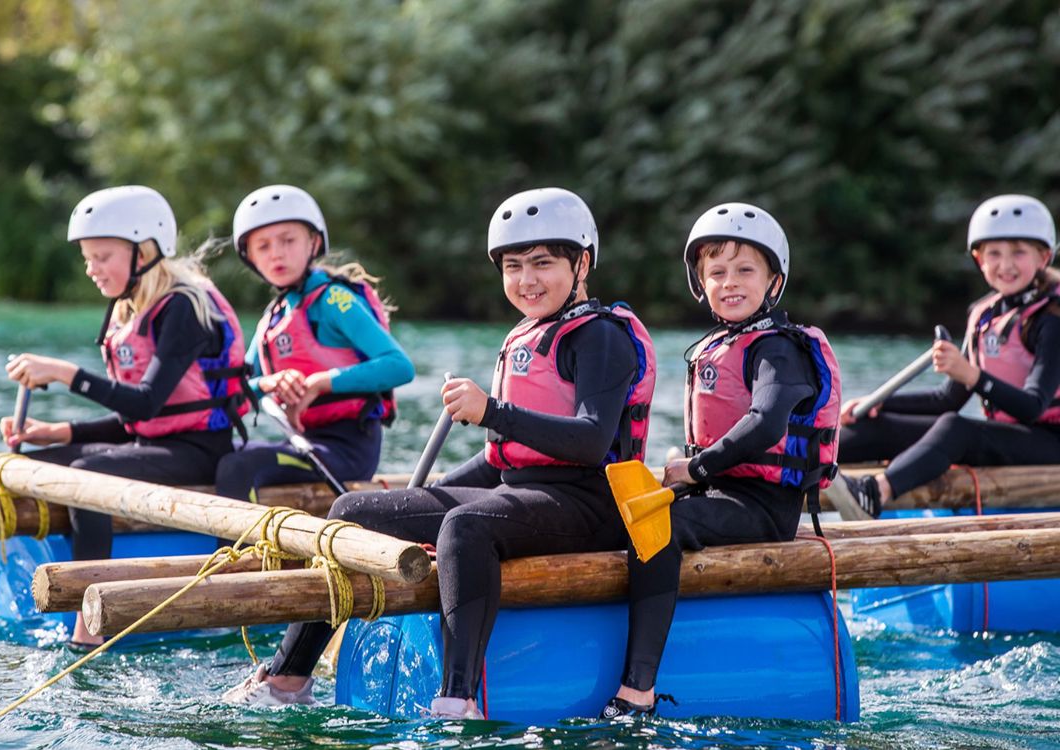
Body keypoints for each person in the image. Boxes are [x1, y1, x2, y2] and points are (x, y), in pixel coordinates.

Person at [221, 187, 656, 718]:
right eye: (514, 266)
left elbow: (590, 441)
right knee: (351, 512)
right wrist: (426, 497)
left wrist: (492, 410)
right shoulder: (528, 333)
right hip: (527, 494)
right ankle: (288, 676)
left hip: (590, 504)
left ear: (582, 261)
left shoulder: (600, 336)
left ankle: (457, 698)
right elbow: (502, 460)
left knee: (466, 527)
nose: (527, 280)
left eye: (543, 263)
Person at [0, 186, 251, 646]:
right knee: (6, 468)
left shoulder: (184, 307)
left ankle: (88, 632)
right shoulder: (129, 308)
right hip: (152, 445)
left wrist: (67, 374)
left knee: (88, 478)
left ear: (144, 250)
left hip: (201, 451)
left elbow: (146, 402)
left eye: (103, 255)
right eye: (88, 258)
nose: (92, 269)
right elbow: (139, 422)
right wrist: (58, 431)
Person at [605, 203, 841, 718]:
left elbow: (768, 422)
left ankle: (637, 690)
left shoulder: (779, 349)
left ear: (774, 280)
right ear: (700, 283)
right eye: (717, 272)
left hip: (765, 507)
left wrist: (695, 469)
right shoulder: (720, 345)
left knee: (658, 523)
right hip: (720, 492)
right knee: (620, 508)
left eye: (745, 270)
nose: (729, 282)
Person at [828, 194, 1060, 519]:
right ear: (979, 259)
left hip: (1050, 442)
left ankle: (874, 493)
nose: (1005, 265)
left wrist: (972, 375)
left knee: (957, 428)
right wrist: (880, 402)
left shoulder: (1052, 317)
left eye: (1018, 252)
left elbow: (1033, 406)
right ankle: (791, 465)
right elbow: (947, 399)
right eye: (994, 253)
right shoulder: (983, 315)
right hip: (1009, 438)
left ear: (1044, 256)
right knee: (874, 423)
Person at [213, 185, 414, 502]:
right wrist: (268, 383)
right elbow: (239, 390)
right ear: (250, 257)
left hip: (347, 449)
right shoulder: (273, 318)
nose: (276, 253)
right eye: (263, 246)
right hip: (303, 442)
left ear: (314, 242)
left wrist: (322, 383)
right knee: (219, 457)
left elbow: (400, 367)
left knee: (239, 466)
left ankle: (237, 552)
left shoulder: (334, 298)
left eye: (288, 240)